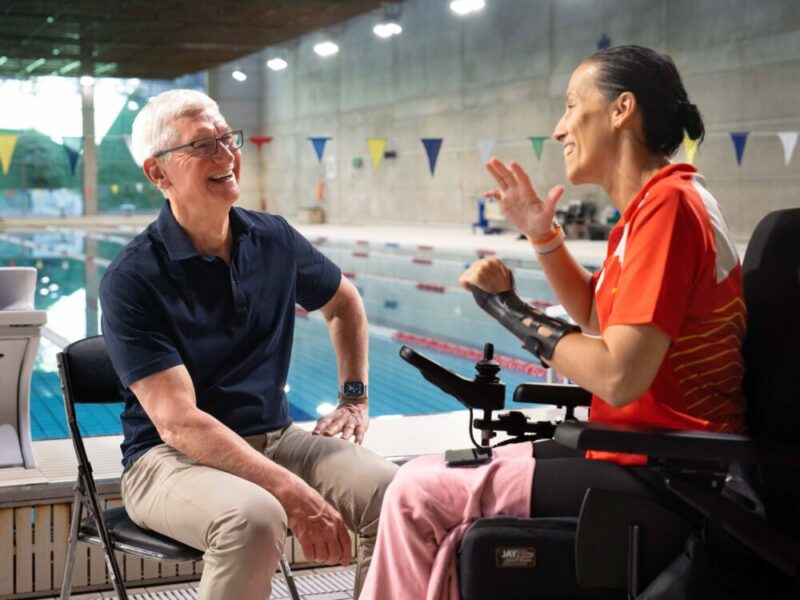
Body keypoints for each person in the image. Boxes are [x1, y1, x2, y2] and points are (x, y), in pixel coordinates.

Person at [360, 45, 746, 599]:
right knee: (425, 476)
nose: (561, 126)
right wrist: (544, 238)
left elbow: (617, 374)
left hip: (666, 471)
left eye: (571, 105)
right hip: (641, 452)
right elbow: (596, 316)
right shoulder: (652, 209)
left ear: (621, 110)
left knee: (416, 492)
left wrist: (510, 312)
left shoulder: (670, 208)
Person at [99, 89, 397, 600]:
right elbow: (178, 423)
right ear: (159, 174)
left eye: (226, 137)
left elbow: (345, 303)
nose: (226, 154)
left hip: (275, 440)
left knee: (398, 494)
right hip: (168, 461)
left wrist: (354, 396)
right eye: (202, 145)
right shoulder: (134, 277)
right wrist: (289, 491)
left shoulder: (274, 239)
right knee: (255, 518)